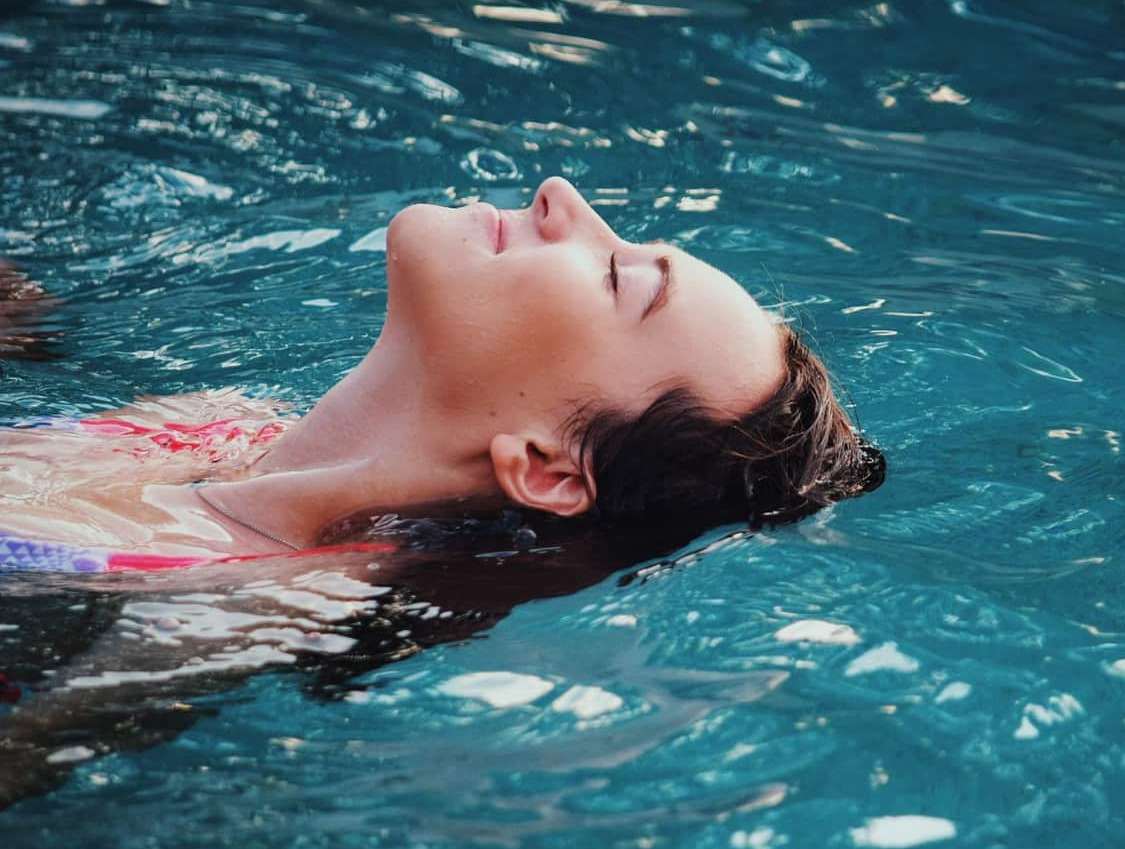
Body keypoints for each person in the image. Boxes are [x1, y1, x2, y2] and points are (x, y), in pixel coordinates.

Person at [0, 177, 883, 573]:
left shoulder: (244, 597)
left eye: (618, 277)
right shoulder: (216, 421)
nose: (559, 196)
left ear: (541, 467)